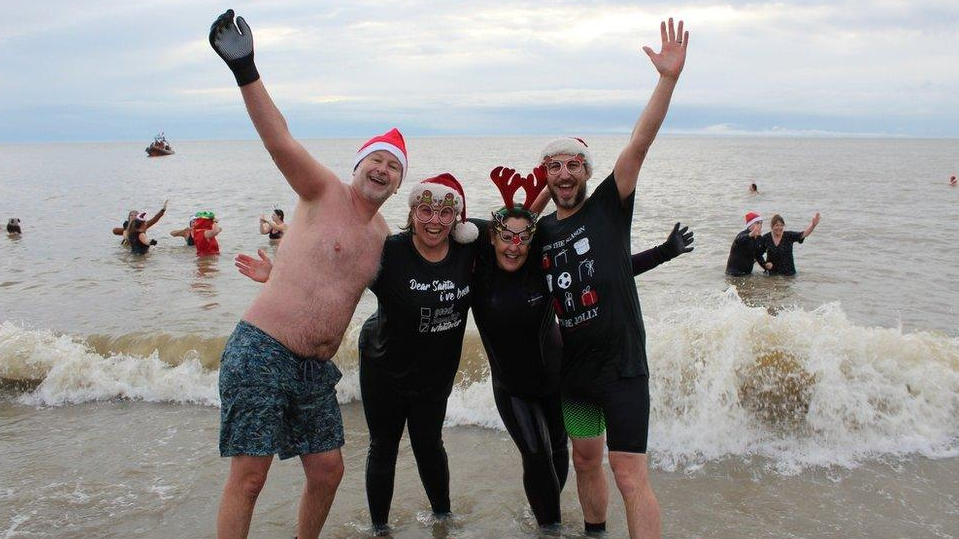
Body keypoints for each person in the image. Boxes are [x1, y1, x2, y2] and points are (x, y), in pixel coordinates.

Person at [209, 10, 407, 539]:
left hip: (315, 371)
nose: (383, 170)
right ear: (359, 165)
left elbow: (334, 278)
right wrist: (245, 70)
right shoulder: (322, 190)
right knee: (249, 478)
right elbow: (280, 141)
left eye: (394, 168)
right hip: (263, 349)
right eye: (377, 161)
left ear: (397, 185)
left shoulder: (384, 239)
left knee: (328, 470)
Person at [237, 174, 480, 536]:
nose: (435, 221)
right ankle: (379, 528)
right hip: (384, 369)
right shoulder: (391, 251)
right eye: (426, 210)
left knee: (430, 445)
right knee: (383, 447)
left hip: (434, 374)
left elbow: (514, 238)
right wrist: (279, 276)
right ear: (413, 212)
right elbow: (334, 274)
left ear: (457, 220)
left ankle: (443, 521)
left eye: (446, 213)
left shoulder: (467, 253)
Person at [533, 18, 688, 538]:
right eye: (553, 166)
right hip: (574, 373)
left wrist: (666, 79)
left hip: (622, 368)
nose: (564, 172)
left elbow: (639, 144)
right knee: (584, 460)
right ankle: (595, 533)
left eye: (573, 163)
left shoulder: (609, 205)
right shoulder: (542, 231)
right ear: (547, 177)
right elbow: (504, 233)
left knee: (630, 475)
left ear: (586, 170)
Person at [472, 166, 694, 529]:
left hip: (560, 378)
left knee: (564, 458)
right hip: (513, 387)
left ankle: (550, 518)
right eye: (505, 238)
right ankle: (549, 526)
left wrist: (664, 252)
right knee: (537, 456)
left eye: (522, 238)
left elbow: (605, 272)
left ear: (532, 240)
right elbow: (455, 235)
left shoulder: (539, 267)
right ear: (492, 239)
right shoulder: (479, 272)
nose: (514, 246)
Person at [725, 211, 767, 276]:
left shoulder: (759, 238)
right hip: (733, 274)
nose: (760, 225)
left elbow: (758, 255)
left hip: (747, 274)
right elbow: (738, 241)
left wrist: (765, 266)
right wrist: (750, 235)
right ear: (750, 225)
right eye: (757, 223)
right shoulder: (743, 235)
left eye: (761, 223)